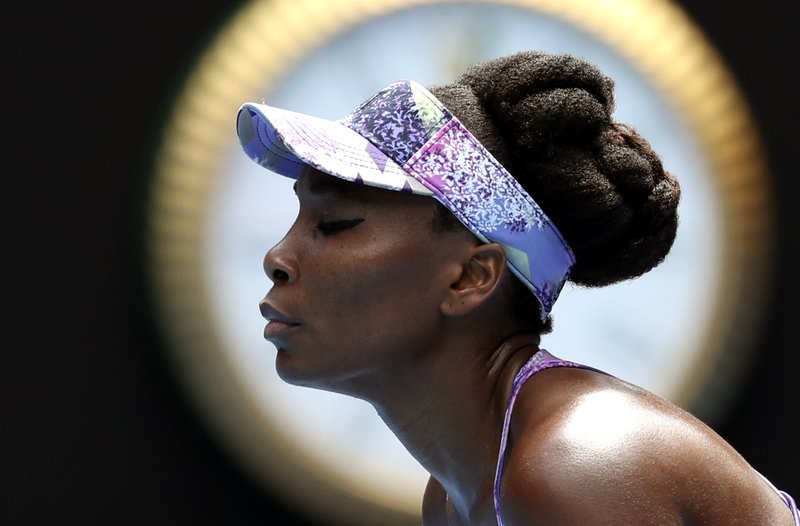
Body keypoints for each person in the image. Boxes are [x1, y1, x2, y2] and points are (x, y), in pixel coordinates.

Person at [236, 51, 798, 525]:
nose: (278, 258)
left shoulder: (573, 468)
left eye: (335, 226)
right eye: (298, 218)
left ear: (470, 277)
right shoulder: (456, 498)